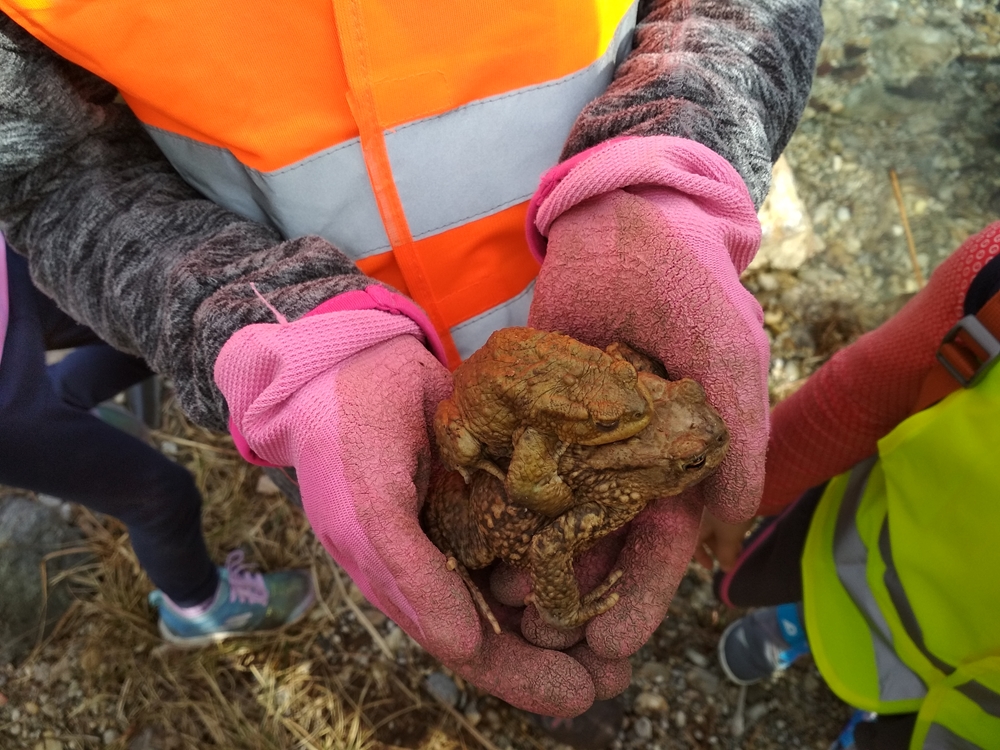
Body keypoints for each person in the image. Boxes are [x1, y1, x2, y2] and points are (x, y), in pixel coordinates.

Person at [0, 0, 823, 717]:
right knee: (462, 584)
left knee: (550, 615)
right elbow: (42, 165)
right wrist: (242, 320)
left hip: (577, 292)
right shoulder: (590, 432)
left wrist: (679, 151)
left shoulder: (614, 409)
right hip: (338, 390)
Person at [700, 224, 1000, 749]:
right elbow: (856, 399)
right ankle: (799, 622)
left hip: (968, 726)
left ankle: (870, 720)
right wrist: (744, 491)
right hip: (857, 561)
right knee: (822, 594)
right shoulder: (993, 278)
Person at [0, 234, 316, 645]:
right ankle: (198, 607)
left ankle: (67, 407)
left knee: (152, 325)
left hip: (10, 271)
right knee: (161, 495)